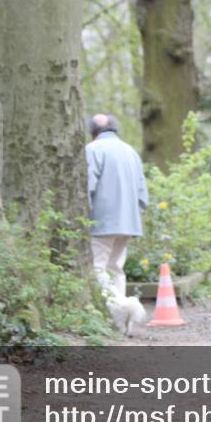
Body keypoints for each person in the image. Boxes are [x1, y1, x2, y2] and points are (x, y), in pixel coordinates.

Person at [85, 113, 148, 301]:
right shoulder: (130, 152)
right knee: (115, 268)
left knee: (98, 268)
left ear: (93, 133)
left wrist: (84, 218)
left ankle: (112, 310)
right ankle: (122, 318)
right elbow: (142, 193)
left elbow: (88, 186)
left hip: (101, 222)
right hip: (128, 223)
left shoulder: (92, 149)